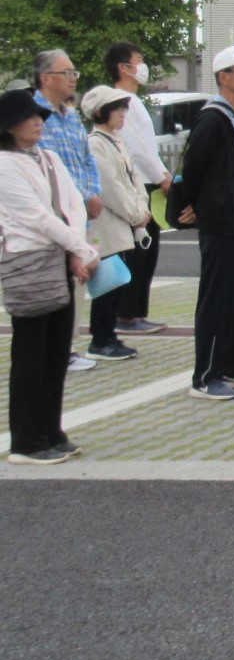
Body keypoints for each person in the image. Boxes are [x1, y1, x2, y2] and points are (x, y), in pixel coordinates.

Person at [0, 90, 100, 464]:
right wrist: (82, 249)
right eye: (30, 117)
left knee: (58, 350)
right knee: (31, 352)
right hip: (29, 260)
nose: (39, 121)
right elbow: (36, 217)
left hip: (61, 255)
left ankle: (51, 429)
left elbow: (72, 204)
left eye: (41, 116)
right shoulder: (5, 165)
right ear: (9, 126)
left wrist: (76, 248)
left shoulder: (50, 157)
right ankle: (26, 440)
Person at [167, 46, 234, 400]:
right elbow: (193, 169)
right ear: (224, 76)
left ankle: (233, 365)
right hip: (223, 221)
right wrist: (194, 204)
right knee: (216, 297)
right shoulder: (212, 118)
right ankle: (205, 375)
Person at [34, 50, 102, 372]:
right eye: (67, 72)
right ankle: (54, 351)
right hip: (51, 216)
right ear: (46, 78)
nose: (74, 78)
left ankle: (68, 348)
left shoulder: (72, 115)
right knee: (53, 282)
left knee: (78, 280)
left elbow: (87, 158)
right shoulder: (34, 115)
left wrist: (92, 193)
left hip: (80, 213)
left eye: (74, 72)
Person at [102, 42, 169, 336]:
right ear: (123, 68)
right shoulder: (120, 100)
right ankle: (126, 314)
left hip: (147, 181)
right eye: (139, 61)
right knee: (139, 249)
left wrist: (160, 172)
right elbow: (139, 150)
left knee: (149, 249)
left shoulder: (134, 100)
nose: (143, 67)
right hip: (137, 183)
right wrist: (161, 174)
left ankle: (137, 312)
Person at [80, 86, 150, 362]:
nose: (122, 114)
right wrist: (136, 213)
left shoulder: (117, 141)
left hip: (124, 224)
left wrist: (142, 209)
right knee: (106, 285)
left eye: (123, 108)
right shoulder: (96, 143)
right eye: (117, 109)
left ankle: (108, 336)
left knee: (117, 282)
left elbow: (135, 181)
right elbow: (110, 188)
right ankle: (101, 339)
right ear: (100, 112)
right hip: (107, 225)